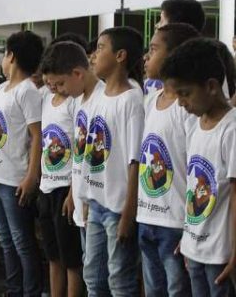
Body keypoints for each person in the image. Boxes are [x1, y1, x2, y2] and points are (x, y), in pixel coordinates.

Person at [161, 38, 236, 297]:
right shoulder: (194, 125)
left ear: (211, 86)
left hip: (220, 255)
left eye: (185, 93)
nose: (180, 102)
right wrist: (188, 237)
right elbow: (193, 188)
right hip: (194, 249)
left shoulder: (231, 129)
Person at [135, 23, 201, 296]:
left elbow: (196, 171)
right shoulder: (150, 100)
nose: (146, 57)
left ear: (174, 55)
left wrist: (189, 227)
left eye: (153, 49)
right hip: (147, 215)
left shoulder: (188, 109)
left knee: (177, 290)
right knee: (153, 290)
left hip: (175, 223)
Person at [81, 27, 145, 296]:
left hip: (118, 207)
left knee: (119, 279)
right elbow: (90, 152)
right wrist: (86, 197)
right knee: (93, 277)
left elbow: (135, 161)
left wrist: (128, 214)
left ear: (120, 55)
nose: (93, 56)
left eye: (100, 48)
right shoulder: (98, 95)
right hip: (97, 201)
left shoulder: (131, 99)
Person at [0, 31, 44, 296]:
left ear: (12, 56)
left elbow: (37, 135)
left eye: (5, 54)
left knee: (22, 241)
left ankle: (30, 291)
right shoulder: (0, 89)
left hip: (14, 179)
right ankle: (13, 289)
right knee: (6, 240)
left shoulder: (28, 91)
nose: (3, 60)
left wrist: (31, 176)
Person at [39, 41, 106, 263]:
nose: (60, 90)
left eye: (60, 84)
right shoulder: (82, 99)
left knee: (91, 268)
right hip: (78, 193)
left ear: (77, 73)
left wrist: (74, 192)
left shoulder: (97, 100)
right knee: (85, 266)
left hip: (95, 197)